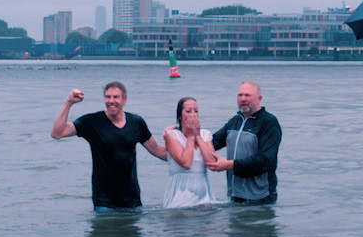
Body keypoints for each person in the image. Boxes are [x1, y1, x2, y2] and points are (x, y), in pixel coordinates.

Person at [51, 81, 168, 210]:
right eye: (108, 97)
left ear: (124, 99)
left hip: (132, 201)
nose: (111, 101)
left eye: (115, 97)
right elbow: (57, 133)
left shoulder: (136, 122)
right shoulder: (93, 122)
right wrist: (69, 102)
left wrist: (184, 148)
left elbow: (158, 151)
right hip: (104, 203)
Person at [210, 80, 280, 204]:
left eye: (247, 95)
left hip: (260, 198)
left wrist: (229, 165)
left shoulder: (268, 122)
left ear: (259, 99)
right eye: (240, 95)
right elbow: (212, 142)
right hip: (235, 196)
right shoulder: (235, 121)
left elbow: (264, 161)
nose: (243, 99)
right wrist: (184, 133)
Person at [160, 97, 231, 207]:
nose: (193, 115)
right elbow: (186, 163)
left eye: (196, 111)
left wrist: (197, 136)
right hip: (180, 198)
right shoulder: (171, 135)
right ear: (180, 116)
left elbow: (212, 163)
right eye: (188, 111)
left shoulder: (205, 134)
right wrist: (190, 137)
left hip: (204, 197)